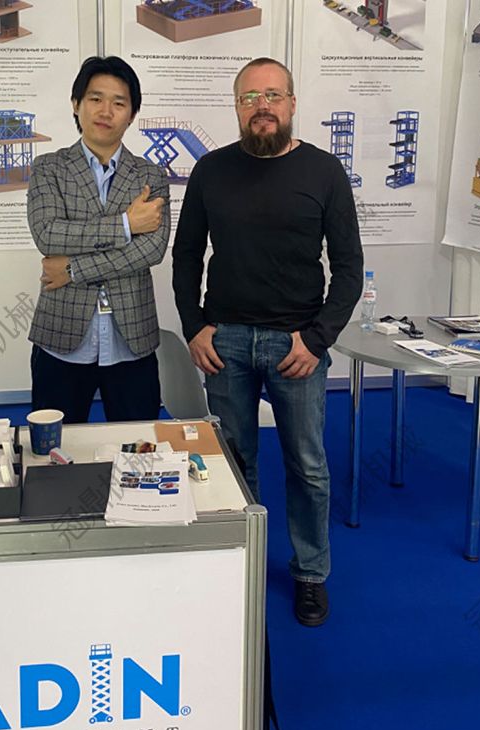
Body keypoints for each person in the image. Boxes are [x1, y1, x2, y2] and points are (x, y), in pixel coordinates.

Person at [172, 57, 363, 626]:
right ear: (236, 107)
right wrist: (193, 325)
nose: (262, 107)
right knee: (233, 462)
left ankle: (310, 574)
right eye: (250, 97)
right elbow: (186, 256)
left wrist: (318, 339)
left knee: (307, 466)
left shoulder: (324, 171)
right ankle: (241, 560)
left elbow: (348, 268)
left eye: (273, 95)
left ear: (293, 103)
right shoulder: (210, 170)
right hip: (224, 343)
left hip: (296, 347)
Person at [27, 56, 170, 423]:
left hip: (131, 339)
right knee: (55, 450)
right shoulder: (49, 168)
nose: (106, 111)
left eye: (119, 103)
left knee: (138, 446)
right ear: (76, 105)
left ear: (132, 114)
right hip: (61, 337)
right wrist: (125, 224)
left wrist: (73, 269)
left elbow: (151, 250)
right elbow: (48, 234)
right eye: (95, 99)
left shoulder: (151, 175)